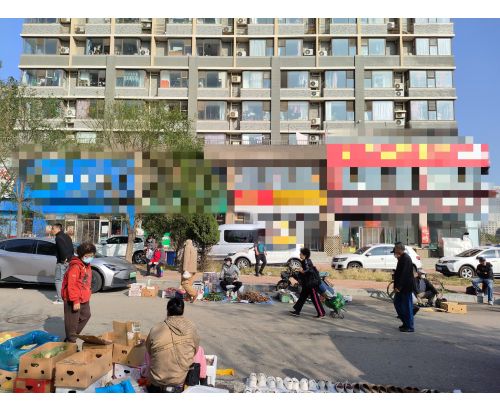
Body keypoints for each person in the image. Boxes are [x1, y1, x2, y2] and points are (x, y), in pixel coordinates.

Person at [145, 298, 200, 393]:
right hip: (180, 379)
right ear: (182, 310)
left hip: (157, 381)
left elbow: (149, 351)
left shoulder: (156, 328)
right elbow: (195, 349)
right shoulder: (191, 327)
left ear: (167, 311)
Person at [61, 241, 96, 343]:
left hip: (84, 298)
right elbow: (72, 286)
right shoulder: (75, 267)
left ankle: (70, 337)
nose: (90, 257)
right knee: (72, 323)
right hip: (73, 299)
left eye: (92, 255)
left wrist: (88, 292)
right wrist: (75, 301)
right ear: (81, 255)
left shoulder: (86, 265)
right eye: (87, 256)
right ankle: (70, 343)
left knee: (86, 315)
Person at [289, 247, 326, 319]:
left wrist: (301, 271)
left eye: (301, 254)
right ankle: (297, 311)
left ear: (304, 255)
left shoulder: (306, 261)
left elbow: (308, 270)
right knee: (302, 297)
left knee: (315, 298)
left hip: (311, 284)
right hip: (307, 284)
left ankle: (321, 313)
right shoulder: (305, 261)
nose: (299, 254)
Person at [392, 242, 415, 332]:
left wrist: (399, 287)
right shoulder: (402, 258)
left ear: (398, 249)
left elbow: (404, 275)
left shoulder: (406, 258)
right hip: (401, 287)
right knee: (397, 303)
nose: (394, 250)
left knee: (406, 306)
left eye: (395, 248)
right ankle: (405, 322)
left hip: (405, 287)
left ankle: (409, 326)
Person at [52, 223, 74, 305]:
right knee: (65, 280)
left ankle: (60, 299)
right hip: (69, 261)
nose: (52, 230)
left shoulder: (58, 237)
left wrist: (63, 259)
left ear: (58, 229)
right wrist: (69, 257)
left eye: (53, 228)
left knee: (58, 280)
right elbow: (71, 248)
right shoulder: (67, 236)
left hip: (62, 262)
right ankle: (64, 295)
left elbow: (61, 249)